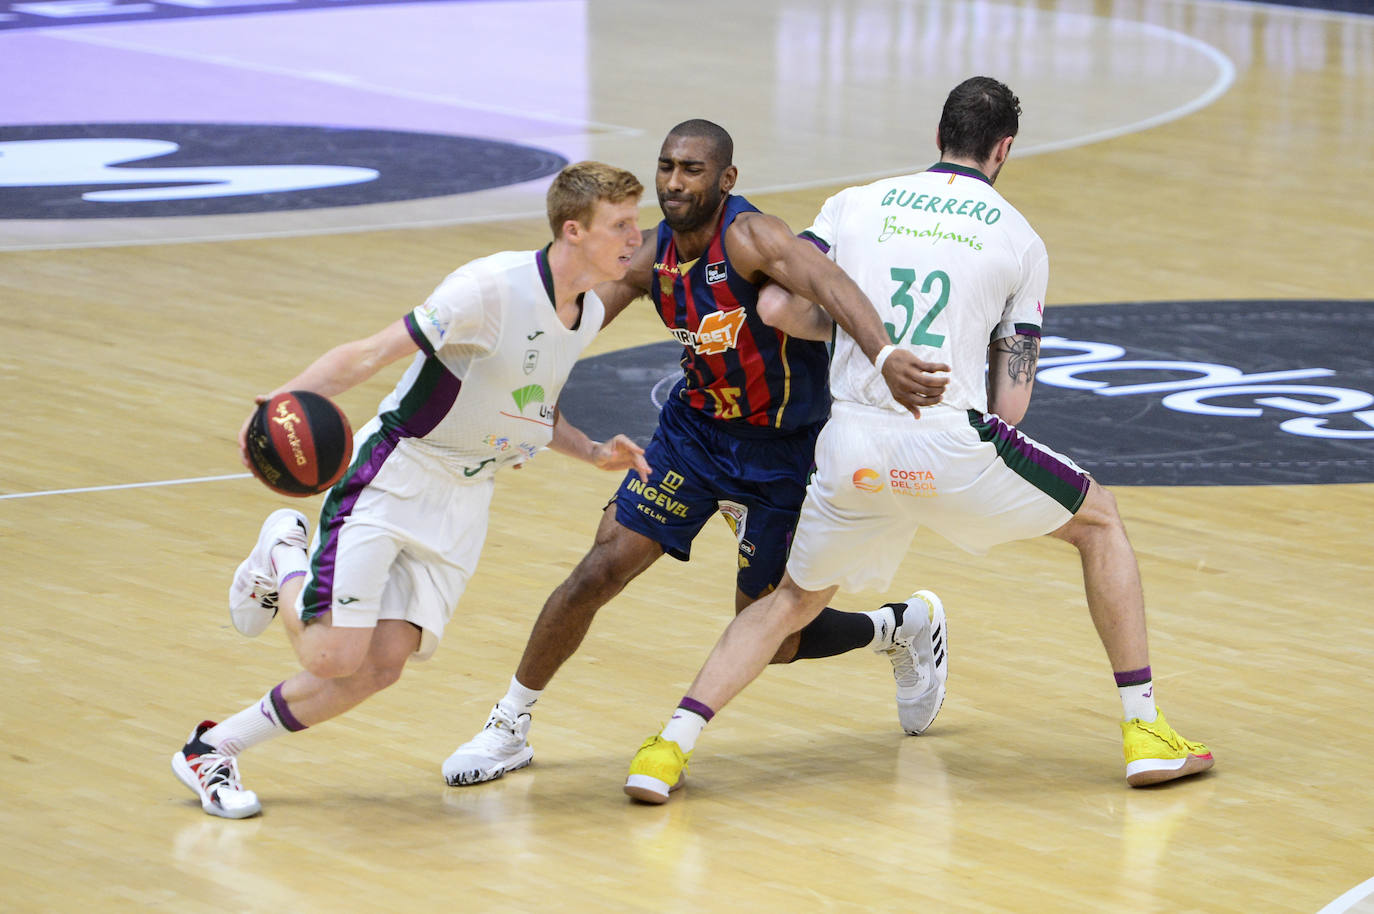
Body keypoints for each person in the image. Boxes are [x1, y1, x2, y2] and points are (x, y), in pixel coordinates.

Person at [624, 78, 1214, 804]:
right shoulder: (1020, 237)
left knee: (787, 603)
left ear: (937, 137)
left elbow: (776, 306)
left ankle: (665, 748)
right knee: (1099, 521)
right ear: (1003, 149)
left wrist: (862, 344)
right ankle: (1145, 731)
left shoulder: (855, 202)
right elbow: (1012, 401)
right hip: (945, 442)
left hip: (850, 447)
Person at [441, 120, 952, 787]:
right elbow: (574, 324)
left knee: (773, 638)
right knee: (598, 570)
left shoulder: (752, 236)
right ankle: (509, 725)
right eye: (667, 167)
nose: (675, 182)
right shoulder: (650, 257)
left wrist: (883, 355)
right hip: (695, 435)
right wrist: (521, 395)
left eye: (692, 170)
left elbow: (829, 283)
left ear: (726, 179)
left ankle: (901, 626)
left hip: (784, 451)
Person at [170, 161, 654, 819]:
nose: (636, 235)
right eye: (620, 224)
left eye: (636, 220)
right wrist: (284, 402)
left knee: (381, 665)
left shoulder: (588, 310)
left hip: (464, 501)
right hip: (397, 475)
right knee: (330, 653)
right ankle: (283, 551)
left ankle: (212, 749)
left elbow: (530, 408)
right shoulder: (488, 289)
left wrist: (593, 451)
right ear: (574, 229)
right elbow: (370, 354)